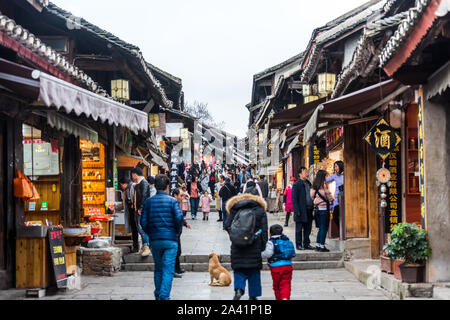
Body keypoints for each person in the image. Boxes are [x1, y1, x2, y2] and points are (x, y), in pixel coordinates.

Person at [140, 174, 184, 300]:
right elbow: (179, 218)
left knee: (158, 268)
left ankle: (158, 294)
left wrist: (150, 233)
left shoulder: (148, 202)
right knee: (168, 269)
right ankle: (164, 296)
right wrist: (177, 232)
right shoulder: (173, 201)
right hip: (171, 240)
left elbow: (143, 222)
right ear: (167, 186)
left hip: (155, 240)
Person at [224, 186, 268, 300]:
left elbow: (227, 225)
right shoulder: (260, 210)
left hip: (237, 246)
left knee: (239, 269)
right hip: (255, 245)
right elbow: (264, 230)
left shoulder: (235, 208)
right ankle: (253, 296)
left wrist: (235, 237)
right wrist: (262, 246)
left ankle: (239, 289)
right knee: (254, 271)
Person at [261, 224, 296, 300]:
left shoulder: (271, 242)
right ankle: (285, 297)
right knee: (286, 284)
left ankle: (279, 298)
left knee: (276, 285)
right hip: (288, 265)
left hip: (276, 267)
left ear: (270, 233)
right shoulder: (287, 240)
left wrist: (260, 254)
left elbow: (268, 253)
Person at [311, 170, 334, 252]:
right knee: (324, 228)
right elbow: (329, 198)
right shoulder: (323, 186)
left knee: (320, 228)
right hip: (324, 209)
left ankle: (317, 245)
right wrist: (332, 198)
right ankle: (322, 246)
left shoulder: (314, 186)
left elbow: (311, 196)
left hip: (317, 209)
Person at [171, 188, 191, 278]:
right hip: (173, 232)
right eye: (181, 195)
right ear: (175, 195)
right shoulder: (172, 203)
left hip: (177, 232)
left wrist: (185, 223)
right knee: (175, 251)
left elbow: (179, 216)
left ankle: (177, 268)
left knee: (178, 251)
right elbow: (177, 216)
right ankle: (174, 270)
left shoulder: (176, 203)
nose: (182, 197)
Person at [131, 167, 151, 257]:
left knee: (142, 228)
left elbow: (144, 196)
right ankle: (144, 247)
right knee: (139, 228)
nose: (132, 177)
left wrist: (141, 207)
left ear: (135, 174)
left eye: (132, 175)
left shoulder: (144, 183)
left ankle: (146, 246)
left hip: (141, 209)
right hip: (137, 208)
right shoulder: (138, 184)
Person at [117, 178, 139, 253]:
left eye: (121, 185)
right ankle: (135, 245)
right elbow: (124, 203)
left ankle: (137, 246)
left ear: (124, 184)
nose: (121, 187)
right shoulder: (125, 191)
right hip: (131, 212)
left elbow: (135, 199)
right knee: (134, 229)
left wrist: (134, 205)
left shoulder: (133, 187)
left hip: (135, 212)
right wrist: (116, 207)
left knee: (136, 229)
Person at [326, 161, 344, 231]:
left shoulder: (345, 175)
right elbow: (326, 180)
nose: (335, 168)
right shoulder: (335, 175)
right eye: (334, 167)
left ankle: (343, 231)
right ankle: (340, 230)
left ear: (340, 166)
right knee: (335, 216)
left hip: (345, 199)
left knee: (344, 216)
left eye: (336, 166)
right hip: (337, 200)